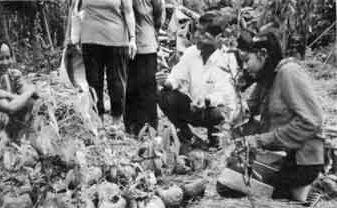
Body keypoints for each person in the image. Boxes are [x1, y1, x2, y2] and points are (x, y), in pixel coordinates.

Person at [237, 32, 324, 202]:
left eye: (247, 60)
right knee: (234, 183)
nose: (245, 67)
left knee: (264, 196)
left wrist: (261, 140)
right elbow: (249, 107)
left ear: (262, 55)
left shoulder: (288, 73)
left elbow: (311, 121)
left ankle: (307, 189)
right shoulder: (266, 76)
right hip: (281, 155)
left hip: (302, 160)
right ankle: (298, 191)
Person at [156, 13, 239, 149]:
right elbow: (177, 76)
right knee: (164, 95)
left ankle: (215, 139)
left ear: (218, 38)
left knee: (219, 112)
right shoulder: (191, 53)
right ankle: (188, 136)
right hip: (193, 108)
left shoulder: (228, 59)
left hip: (211, 112)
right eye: (197, 31)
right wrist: (167, 82)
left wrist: (207, 101)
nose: (196, 37)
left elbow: (226, 95)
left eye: (203, 34)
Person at [79, 0, 137, 126]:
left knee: (116, 83)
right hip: (90, 39)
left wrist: (132, 38)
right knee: (93, 82)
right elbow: (76, 11)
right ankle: (98, 120)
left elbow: (129, 12)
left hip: (116, 40)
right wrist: (74, 37)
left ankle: (116, 121)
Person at [124, 0, 165, 135]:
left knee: (147, 87)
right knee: (131, 87)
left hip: (146, 43)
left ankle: (149, 127)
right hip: (127, 45)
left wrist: (155, 32)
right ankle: (131, 126)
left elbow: (159, 14)